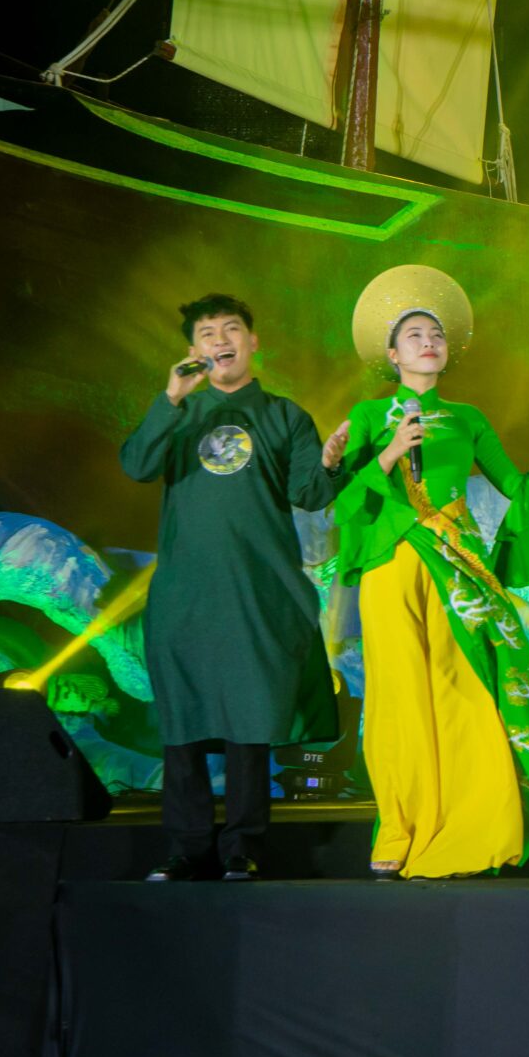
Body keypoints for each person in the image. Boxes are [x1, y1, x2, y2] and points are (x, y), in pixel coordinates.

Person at [332, 265, 529, 880]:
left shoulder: (468, 419)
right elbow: (345, 500)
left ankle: (472, 823)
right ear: (392, 354)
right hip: (391, 562)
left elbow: (519, 490)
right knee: (397, 698)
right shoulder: (366, 416)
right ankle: (398, 829)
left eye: (436, 334)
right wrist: (386, 453)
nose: (428, 341)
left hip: (457, 564)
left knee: (463, 687)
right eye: (414, 335)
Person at [120, 293, 349, 883]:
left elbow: (310, 494)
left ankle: (241, 846)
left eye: (231, 330)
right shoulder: (180, 412)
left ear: (253, 343)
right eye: (207, 334)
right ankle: (187, 848)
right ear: (192, 350)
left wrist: (330, 462)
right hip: (186, 594)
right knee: (184, 722)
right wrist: (170, 398)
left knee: (251, 718)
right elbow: (137, 465)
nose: (220, 340)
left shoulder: (284, 416)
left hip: (258, 592)